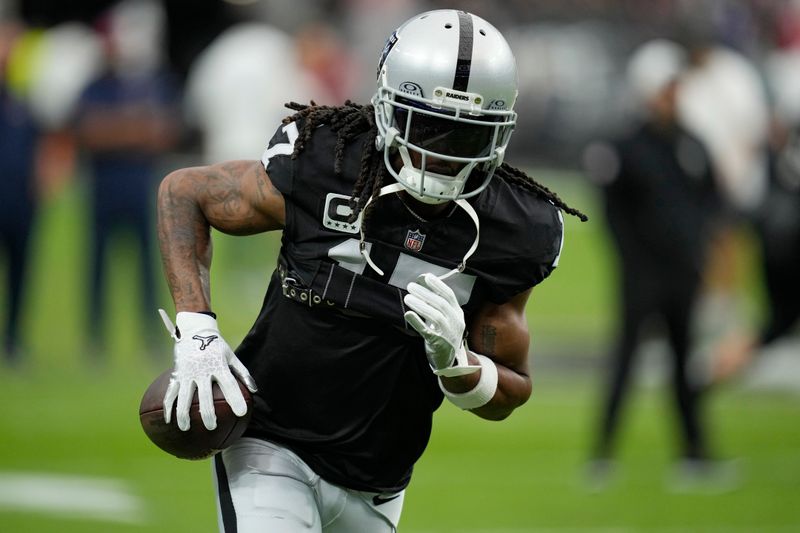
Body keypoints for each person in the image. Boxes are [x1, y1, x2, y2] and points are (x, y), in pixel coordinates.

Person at [155, 9, 586, 532]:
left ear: (499, 136)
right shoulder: (326, 158)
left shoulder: (513, 228)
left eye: (466, 137)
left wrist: (458, 365)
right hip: (272, 445)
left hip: (381, 484)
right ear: (386, 107)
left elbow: (511, 389)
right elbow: (185, 192)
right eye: (428, 125)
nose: (440, 155)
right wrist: (196, 329)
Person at [583, 39, 725, 488]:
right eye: (667, 87)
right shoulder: (625, 147)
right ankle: (602, 455)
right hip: (642, 276)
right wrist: (634, 262)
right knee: (625, 363)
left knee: (685, 365)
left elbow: (712, 201)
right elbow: (613, 214)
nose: (674, 96)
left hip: (684, 275)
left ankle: (694, 455)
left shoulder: (692, 143)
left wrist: (699, 251)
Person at [73, 0, 180, 359]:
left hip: (140, 190)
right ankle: (95, 339)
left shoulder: (157, 81)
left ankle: (150, 335)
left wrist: (116, 127)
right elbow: (88, 132)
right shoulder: (97, 82)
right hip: (104, 190)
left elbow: (165, 131)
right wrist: (135, 128)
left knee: (149, 270)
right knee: (97, 268)